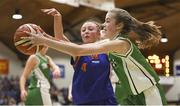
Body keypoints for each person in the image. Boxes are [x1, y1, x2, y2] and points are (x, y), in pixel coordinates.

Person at [23, 8, 167, 105]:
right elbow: (65, 42)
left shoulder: (119, 44)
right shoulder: (106, 44)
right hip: (129, 95)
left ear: (119, 25)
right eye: (83, 29)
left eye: (107, 21)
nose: (104, 24)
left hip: (146, 92)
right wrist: (47, 33)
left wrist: (43, 40)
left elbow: (75, 49)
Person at [41, 8, 117, 105]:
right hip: (82, 100)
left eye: (90, 29)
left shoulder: (107, 50)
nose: (86, 32)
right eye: (83, 30)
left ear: (99, 33)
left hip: (105, 98)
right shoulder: (76, 50)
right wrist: (57, 18)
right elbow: (59, 38)